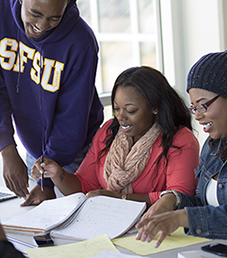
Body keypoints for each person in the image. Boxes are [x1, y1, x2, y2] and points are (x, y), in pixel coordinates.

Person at [0, 0, 103, 205]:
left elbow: (72, 117)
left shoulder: (81, 42)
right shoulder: (1, 15)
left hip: (75, 152)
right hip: (33, 151)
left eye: (54, 18)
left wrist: (46, 180)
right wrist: (6, 147)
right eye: (35, 13)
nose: (42, 26)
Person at [30, 66, 199, 208]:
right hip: (111, 224)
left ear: (155, 107)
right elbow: (84, 186)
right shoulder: (109, 131)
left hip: (156, 231)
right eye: (117, 108)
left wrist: (118, 199)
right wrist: (57, 173)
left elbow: (179, 197)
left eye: (130, 110)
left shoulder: (180, 139)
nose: (120, 117)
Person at [135, 48, 227, 248]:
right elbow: (207, 205)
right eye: (194, 108)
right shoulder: (214, 146)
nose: (197, 116)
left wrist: (182, 217)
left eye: (203, 105)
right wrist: (173, 200)